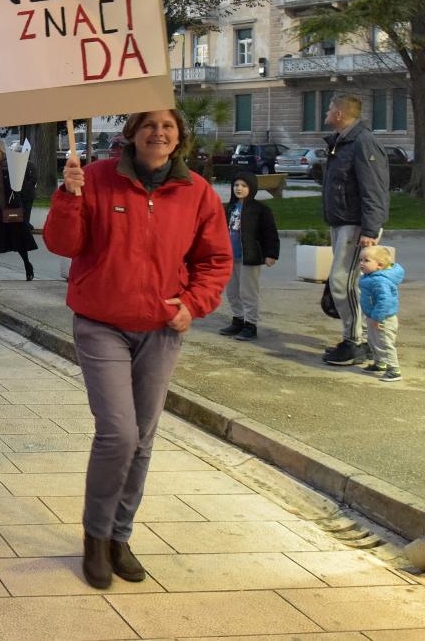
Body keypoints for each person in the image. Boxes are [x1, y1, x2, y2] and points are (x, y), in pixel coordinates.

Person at [44, 109, 230, 590]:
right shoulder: (98, 179)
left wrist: (195, 304)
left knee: (143, 438)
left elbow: (214, 259)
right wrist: (69, 195)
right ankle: (94, 535)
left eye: (168, 126)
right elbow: (63, 245)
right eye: (149, 125)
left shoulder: (197, 193)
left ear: (179, 137)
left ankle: (119, 537)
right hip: (101, 323)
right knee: (119, 433)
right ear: (132, 133)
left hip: (162, 328)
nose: (159, 133)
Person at [319, 93, 391, 367]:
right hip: (343, 222)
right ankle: (358, 339)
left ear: (339, 114)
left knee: (343, 282)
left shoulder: (362, 142)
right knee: (345, 284)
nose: (326, 112)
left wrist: (370, 229)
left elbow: (374, 189)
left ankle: (356, 343)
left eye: (328, 108)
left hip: (356, 226)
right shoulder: (344, 142)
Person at [217, 172, 279, 342]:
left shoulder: (260, 210)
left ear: (251, 188)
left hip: (249, 257)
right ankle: (238, 319)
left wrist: (271, 254)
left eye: (243, 186)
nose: (239, 188)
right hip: (230, 257)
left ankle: (250, 324)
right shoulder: (229, 208)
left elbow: (270, 233)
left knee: (248, 292)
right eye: (236, 185)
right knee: (232, 291)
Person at [0, 138, 37, 282]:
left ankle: (27, 266)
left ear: (0, 150)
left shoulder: (12, 165)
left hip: (12, 210)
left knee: (19, 241)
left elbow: (21, 186)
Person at [358, 244, 405, 382]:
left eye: (366, 261)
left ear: (379, 265)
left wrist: (377, 318)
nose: (362, 263)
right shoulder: (370, 277)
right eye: (361, 260)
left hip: (383, 319)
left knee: (385, 343)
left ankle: (394, 370)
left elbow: (384, 301)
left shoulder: (379, 281)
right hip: (373, 316)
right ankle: (380, 363)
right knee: (373, 340)